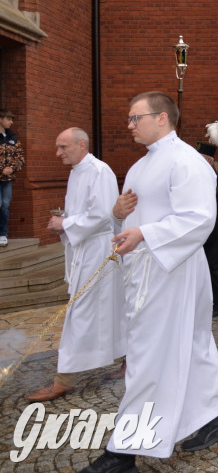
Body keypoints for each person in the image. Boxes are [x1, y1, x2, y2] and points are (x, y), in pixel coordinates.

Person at [79, 92, 218, 473]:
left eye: (136, 118)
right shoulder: (140, 167)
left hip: (173, 271)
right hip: (145, 271)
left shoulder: (187, 162)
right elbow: (133, 214)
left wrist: (146, 234)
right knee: (192, 345)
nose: (129, 125)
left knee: (148, 355)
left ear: (163, 118)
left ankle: (123, 452)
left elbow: (199, 219)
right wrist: (118, 216)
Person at [24, 128, 125, 402]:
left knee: (79, 311)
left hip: (98, 250)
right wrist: (65, 224)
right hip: (84, 248)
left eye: (62, 147)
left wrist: (66, 223)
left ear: (82, 145)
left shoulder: (99, 171)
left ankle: (64, 379)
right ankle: (131, 361)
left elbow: (104, 215)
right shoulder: (77, 171)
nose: (58, 153)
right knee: (111, 309)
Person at [195, 130, 218, 318]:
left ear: (208, 160)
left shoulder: (214, 178)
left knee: (210, 270)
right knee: (202, 270)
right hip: (200, 228)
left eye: (200, 157)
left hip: (209, 229)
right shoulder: (199, 175)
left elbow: (215, 201)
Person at [0, 109, 24, 247]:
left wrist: (11, 168)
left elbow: (20, 158)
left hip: (7, 180)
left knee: (5, 206)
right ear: (1, 119)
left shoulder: (13, 138)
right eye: (9, 119)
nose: (11, 122)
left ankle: (3, 234)